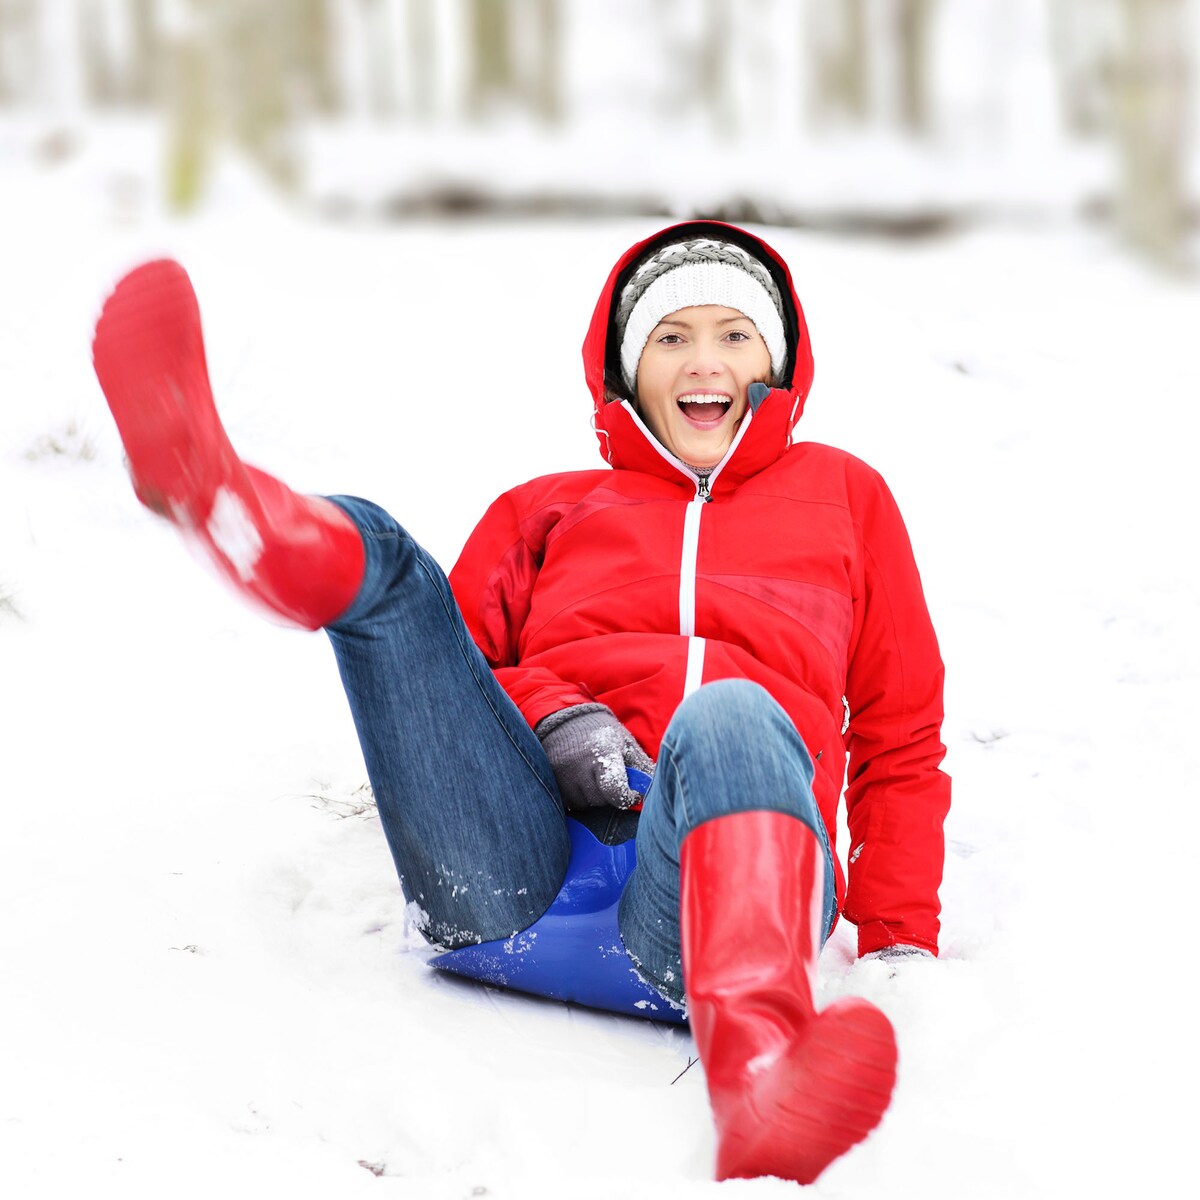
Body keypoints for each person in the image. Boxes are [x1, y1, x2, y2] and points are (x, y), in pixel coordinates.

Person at [91, 221, 950, 1185]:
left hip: (712, 908)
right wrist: (557, 715)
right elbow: (452, 682)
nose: (704, 361)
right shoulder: (547, 506)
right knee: (396, 570)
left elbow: (901, 733)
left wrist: (899, 938)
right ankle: (224, 501)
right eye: (670, 337)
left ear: (777, 362)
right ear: (628, 371)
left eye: (734, 334)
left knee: (736, 715)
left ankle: (762, 1069)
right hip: (511, 873)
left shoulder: (846, 498)